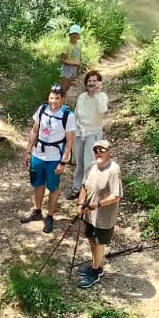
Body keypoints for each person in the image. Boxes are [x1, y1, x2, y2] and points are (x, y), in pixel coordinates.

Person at [22, 85, 75, 234]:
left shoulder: (68, 115)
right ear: (48, 98)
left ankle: (50, 216)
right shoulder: (42, 110)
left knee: (53, 187)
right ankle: (37, 210)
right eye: (51, 98)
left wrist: (63, 162)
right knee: (38, 183)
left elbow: (70, 142)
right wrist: (28, 151)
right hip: (38, 154)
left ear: (62, 99)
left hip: (55, 157)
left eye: (57, 98)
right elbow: (34, 131)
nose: (54, 101)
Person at [75, 140, 122, 289]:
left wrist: (98, 204)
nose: (98, 153)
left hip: (104, 217)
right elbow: (84, 187)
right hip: (89, 214)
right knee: (91, 240)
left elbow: (116, 196)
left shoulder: (113, 170)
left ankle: (95, 272)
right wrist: (80, 204)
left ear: (109, 152)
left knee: (99, 242)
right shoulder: (91, 167)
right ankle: (96, 265)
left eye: (102, 150)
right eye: (96, 150)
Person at [67, 71, 109, 200]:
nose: (91, 83)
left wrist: (97, 93)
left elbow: (102, 110)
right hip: (80, 133)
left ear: (99, 83)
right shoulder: (82, 97)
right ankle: (77, 188)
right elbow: (76, 114)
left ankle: (88, 191)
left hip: (93, 133)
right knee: (79, 163)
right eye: (89, 81)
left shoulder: (102, 96)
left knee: (89, 164)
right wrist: (73, 130)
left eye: (94, 81)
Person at [57, 24, 85, 97]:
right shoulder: (67, 46)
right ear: (70, 35)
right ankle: (58, 99)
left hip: (74, 68)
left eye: (77, 34)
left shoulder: (79, 43)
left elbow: (80, 56)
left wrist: (79, 66)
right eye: (73, 34)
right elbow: (62, 59)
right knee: (64, 87)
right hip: (67, 68)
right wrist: (73, 63)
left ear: (79, 35)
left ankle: (61, 99)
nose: (75, 35)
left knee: (68, 86)